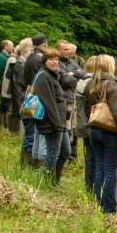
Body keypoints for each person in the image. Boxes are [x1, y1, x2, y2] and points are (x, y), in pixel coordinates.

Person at [84, 54, 117, 214]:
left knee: (99, 168)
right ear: (109, 66)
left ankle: (100, 203)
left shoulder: (90, 84)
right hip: (110, 133)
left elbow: (86, 109)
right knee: (111, 170)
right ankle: (110, 207)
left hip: (94, 130)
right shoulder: (111, 84)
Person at [33, 48, 71, 184]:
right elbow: (48, 102)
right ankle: (46, 183)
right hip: (52, 122)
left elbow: (57, 99)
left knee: (65, 152)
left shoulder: (52, 75)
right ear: (45, 61)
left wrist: (65, 114)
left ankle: (54, 181)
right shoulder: (43, 76)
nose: (55, 62)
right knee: (53, 153)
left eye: (56, 59)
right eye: (51, 59)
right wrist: (57, 124)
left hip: (59, 120)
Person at [57, 40, 87, 159]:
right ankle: (64, 154)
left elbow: (84, 74)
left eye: (69, 49)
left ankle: (73, 155)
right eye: (65, 49)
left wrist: (72, 73)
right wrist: (76, 78)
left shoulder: (71, 61)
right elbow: (64, 80)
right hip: (64, 100)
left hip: (74, 100)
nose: (68, 51)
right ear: (58, 50)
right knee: (66, 128)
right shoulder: (56, 63)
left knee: (74, 127)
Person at [22, 34, 48, 161]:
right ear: (44, 45)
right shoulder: (39, 59)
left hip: (29, 95)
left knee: (30, 133)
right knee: (31, 134)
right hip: (36, 98)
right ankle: (28, 164)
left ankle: (26, 162)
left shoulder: (30, 57)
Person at [75, 57, 96, 192]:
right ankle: (95, 186)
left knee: (89, 157)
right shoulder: (93, 83)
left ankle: (89, 186)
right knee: (96, 157)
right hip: (93, 123)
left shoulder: (81, 81)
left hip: (82, 123)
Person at [8, 38, 33, 139]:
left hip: (25, 96)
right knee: (26, 122)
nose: (33, 50)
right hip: (23, 96)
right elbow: (24, 82)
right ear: (24, 49)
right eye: (31, 47)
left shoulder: (24, 62)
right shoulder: (19, 63)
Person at [0, 40, 14, 129]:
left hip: (5, 84)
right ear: (6, 46)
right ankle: (1, 125)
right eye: (11, 46)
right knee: (3, 103)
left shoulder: (6, 56)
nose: (13, 47)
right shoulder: (1, 57)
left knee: (6, 104)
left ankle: (5, 124)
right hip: (1, 84)